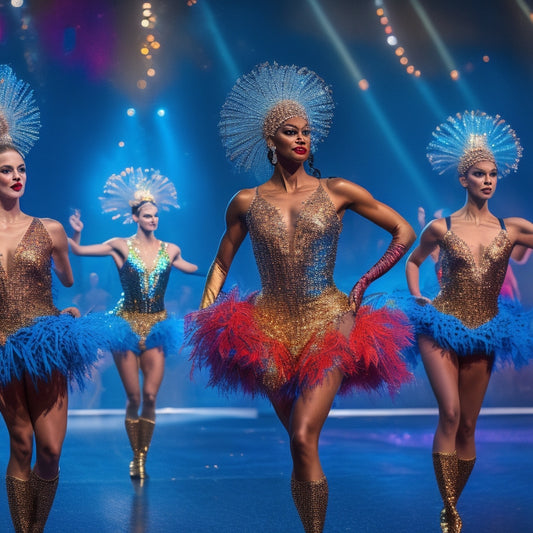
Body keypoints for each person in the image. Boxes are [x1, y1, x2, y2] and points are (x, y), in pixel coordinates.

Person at [185, 62, 416, 533]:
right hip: (265, 331)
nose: (301, 138)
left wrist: (364, 281)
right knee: (296, 441)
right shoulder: (245, 202)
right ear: (270, 140)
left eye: (306, 131)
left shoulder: (336, 190)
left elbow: (403, 231)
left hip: (330, 320)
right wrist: (208, 313)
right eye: (290, 132)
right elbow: (221, 262)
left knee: (305, 434)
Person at [0, 65, 123, 533]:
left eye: (22, 169)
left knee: (50, 452)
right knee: (21, 444)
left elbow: (66, 282)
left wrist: (66, 308)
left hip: (46, 340)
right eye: (7, 170)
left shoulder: (48, 228)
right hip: (3, 348)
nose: (17, 176)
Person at [405, 110, 533, 532]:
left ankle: (450, 503)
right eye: (479, 174)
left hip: (487, 328)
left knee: (470, 425)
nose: (488, 180)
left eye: (493, 174)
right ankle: (451, 511)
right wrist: (417, 294)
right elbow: (414, 260)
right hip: (440, 324)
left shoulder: (510, 227)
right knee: (451, 413)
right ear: (464, 179)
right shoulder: (440, 227)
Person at [68, 167, 198, 481]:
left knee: (151, 397)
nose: (154, 220)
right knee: (134, 398)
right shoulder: (120, 245)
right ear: (136, 217)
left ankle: (142, 456)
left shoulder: (171, 250)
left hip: (157, 327)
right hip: (125, 326)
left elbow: (190, 267)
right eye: (148, 216)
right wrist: (76, 233)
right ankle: (134, 456)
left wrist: (219, 267)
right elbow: (79, 250)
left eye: (156, 216)